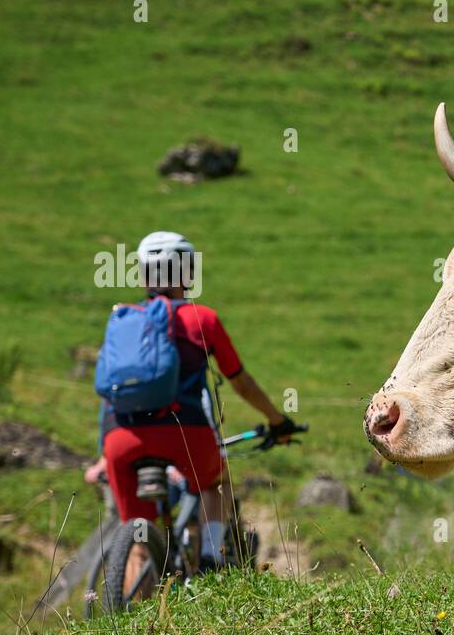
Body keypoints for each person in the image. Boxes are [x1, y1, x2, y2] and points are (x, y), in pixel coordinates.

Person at [84, 231, 300, 570]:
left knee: (139, 543)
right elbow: (241, 383)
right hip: (186, 435)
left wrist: (103, 452)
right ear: (187, 273)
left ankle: (128, 614)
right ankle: (211, 556)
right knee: (218, 484)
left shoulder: (122, 320)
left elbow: (110, 392)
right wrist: (277, 420)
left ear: (143, 275)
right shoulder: (203, 319)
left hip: (121, 441)